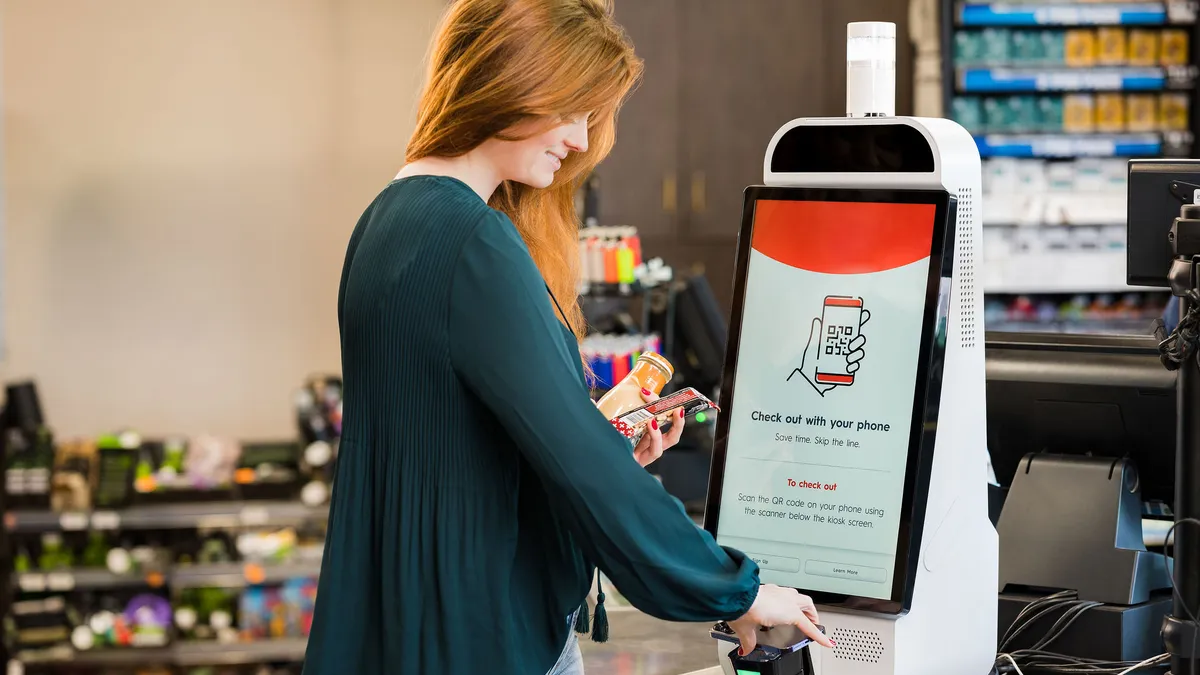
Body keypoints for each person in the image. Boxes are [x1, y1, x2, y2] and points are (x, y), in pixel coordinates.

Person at [302, 1, 834, 673]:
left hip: (403, 632)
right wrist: (738, 589)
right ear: (514, 81)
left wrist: (590, 432)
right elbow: (584, 469)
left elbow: (448, 449)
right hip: (487, 636)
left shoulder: (383, 223)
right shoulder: (473, 242)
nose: (582, 140)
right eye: (574, 109)